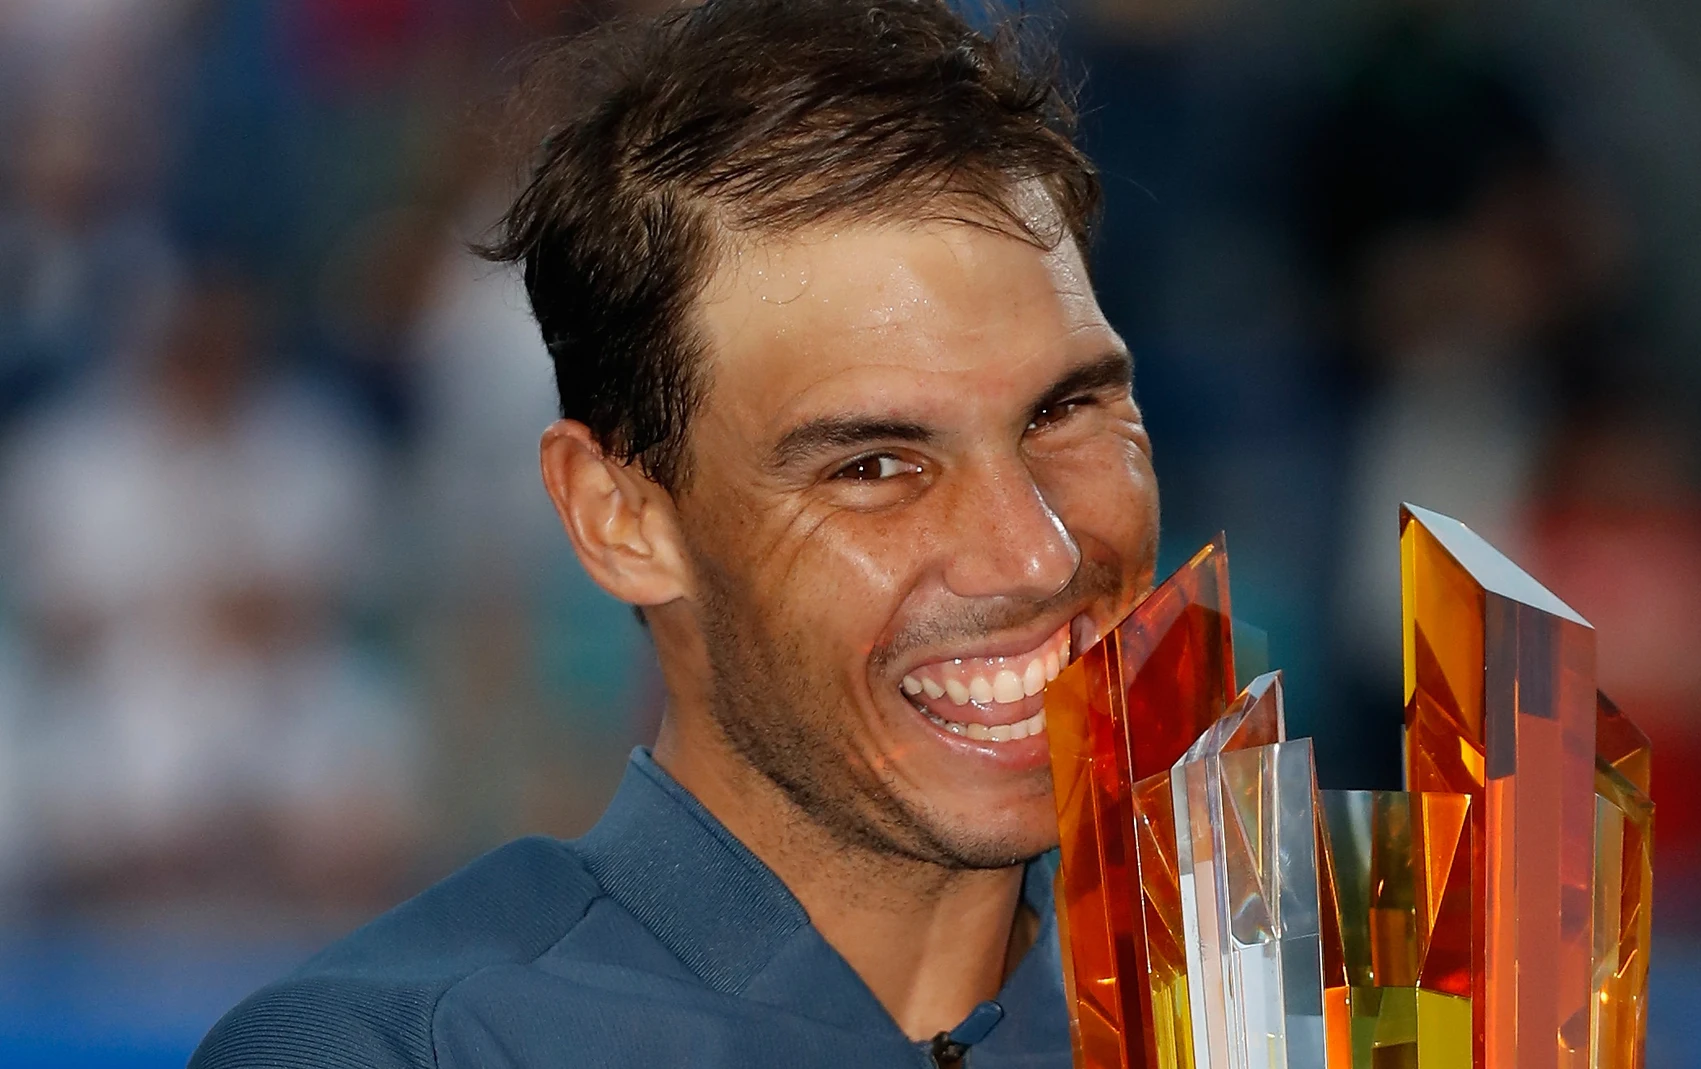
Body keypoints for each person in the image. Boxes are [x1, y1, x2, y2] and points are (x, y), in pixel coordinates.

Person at [189, 1, 1160, 1066]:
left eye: (1063, 411)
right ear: (619, 521)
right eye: (874, 467)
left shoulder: (1274, 998)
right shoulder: (399, 1050)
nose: (1037, 554)